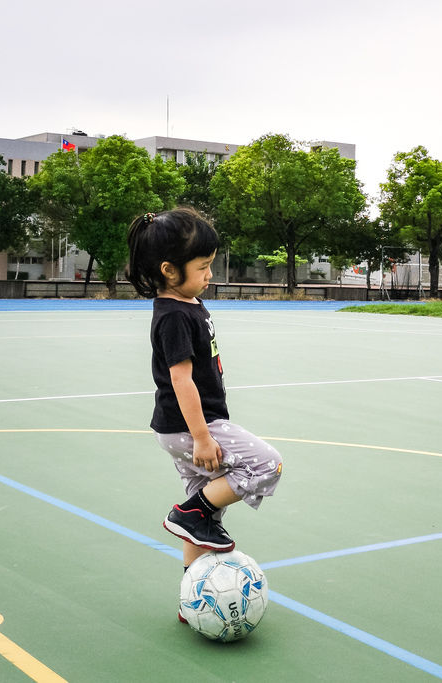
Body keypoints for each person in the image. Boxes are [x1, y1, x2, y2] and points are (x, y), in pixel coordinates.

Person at [125, 207, 283, 606]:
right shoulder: (175, 315)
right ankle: (188, 512)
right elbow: (181, 379)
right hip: (191, 426)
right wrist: (202, 437)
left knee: (205, 523)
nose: (210, 273)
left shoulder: (186, 305)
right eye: (203, 266)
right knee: (267, 463)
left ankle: (192, 600)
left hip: (181, 427)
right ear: (169, 271)